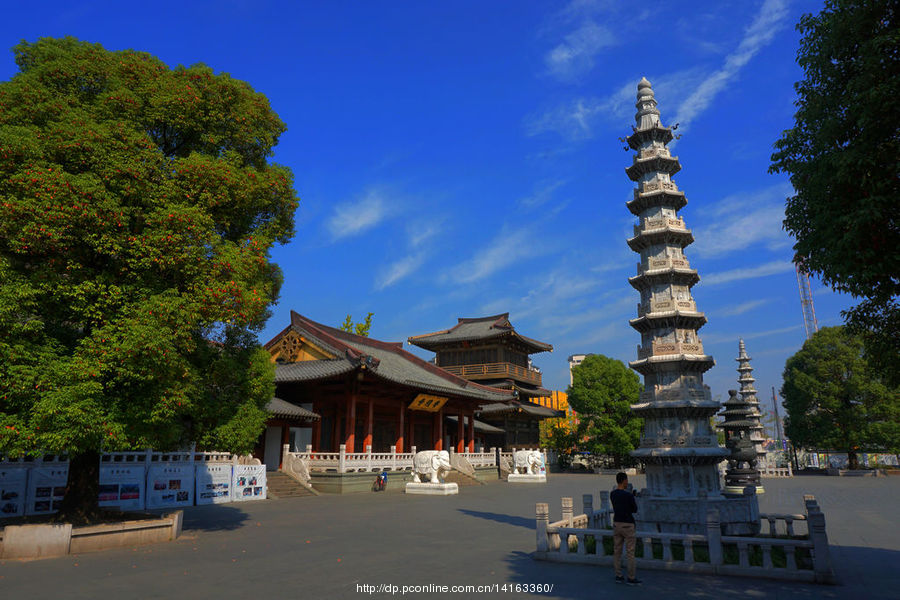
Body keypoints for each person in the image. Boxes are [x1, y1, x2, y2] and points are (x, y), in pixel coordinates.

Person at [610, 472, 641, 585]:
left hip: (617, 524)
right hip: (628, 524)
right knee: (630, 552)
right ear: (624, 481)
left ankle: (618, 575)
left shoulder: (612, 494)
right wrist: (633, 496)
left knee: (617, 551)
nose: (627, 482)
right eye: (626, 480)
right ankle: (631, 577)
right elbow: (634, 509)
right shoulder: (628, 496)